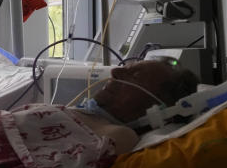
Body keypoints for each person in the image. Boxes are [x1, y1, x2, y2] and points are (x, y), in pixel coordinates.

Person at [71, 58, 200, 154]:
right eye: (125, 68)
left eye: (135, 75)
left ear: (158, 110)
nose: (115, 71)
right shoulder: (77, 115)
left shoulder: (119, 136)